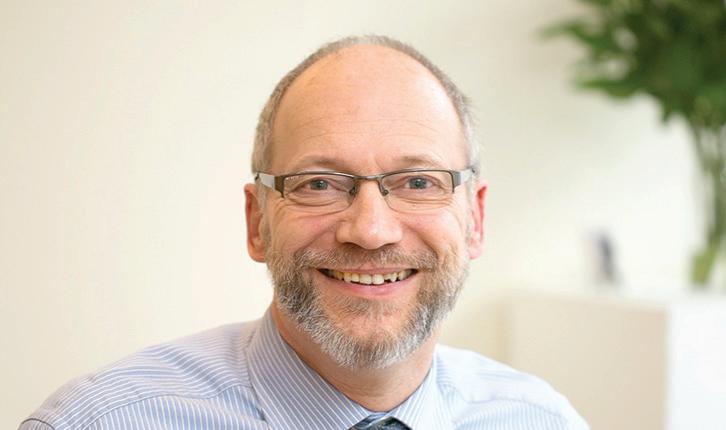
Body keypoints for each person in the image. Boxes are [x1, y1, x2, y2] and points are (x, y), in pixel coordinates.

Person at [20, 35, 588, 430]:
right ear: (257, 223)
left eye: (418, 181)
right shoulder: (97, 422)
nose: (371, 231)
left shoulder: (541, 420)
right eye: (319, 184)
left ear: (475, 219)